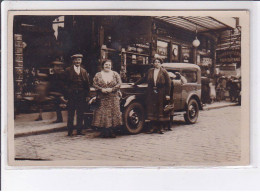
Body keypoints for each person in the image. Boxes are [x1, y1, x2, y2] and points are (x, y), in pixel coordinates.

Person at [135, 58, 171, 134]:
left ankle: (160, 128)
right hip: (151, 92)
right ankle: (152, 128)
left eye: (158, 62)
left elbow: (168, 83)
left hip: (161, 92)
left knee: (160, 109)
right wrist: (135, 84)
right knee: (152, 109)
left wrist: (167, 94)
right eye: (155, 62)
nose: (157, 63)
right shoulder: (150, 71)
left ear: (161, 64)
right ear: (153, 63)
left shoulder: (164, 72)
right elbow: (144, 78)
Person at [91, 59, 122, 138]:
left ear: (111, 66)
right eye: (106, 64)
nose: (107, 66)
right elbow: (94, 84)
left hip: (113, 97)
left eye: (109, 65)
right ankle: (104, 131)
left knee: (112, 113)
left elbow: (119, 84)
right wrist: (101, 89)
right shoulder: (98, 74)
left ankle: (111, 131)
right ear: (103, 65)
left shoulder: (115, 74)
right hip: (102, 97)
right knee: (102, 114)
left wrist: (112, 89)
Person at [63, 54, 90, 136]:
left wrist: (87, 95)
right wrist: (67, 94)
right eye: (76, 60)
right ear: (73, 61)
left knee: (80, 113)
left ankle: (79, 131)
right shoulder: (68, 70)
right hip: (71, 95)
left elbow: (87, 84)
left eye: (79, 60)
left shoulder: (83, 71)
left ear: (81, 61)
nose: (77, 61)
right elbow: (64, 84)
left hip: (81, 95)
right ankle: (70, 131)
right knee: (71, 113)